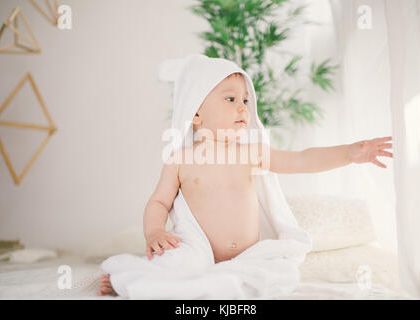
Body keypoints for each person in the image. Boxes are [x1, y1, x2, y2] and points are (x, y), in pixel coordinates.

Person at [98, 57, 393, 298]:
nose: (243, 108)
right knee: (174, 263)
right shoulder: (181, 159)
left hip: (249, 256)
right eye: (230, 99)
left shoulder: (251, 153)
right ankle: (130, 279)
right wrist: (154, 233)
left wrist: (349, 153)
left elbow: (301, 159)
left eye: (245, 101)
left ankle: (217, 284)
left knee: (279, 273)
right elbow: (159, 202)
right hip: (195, 249)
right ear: (195, 113)